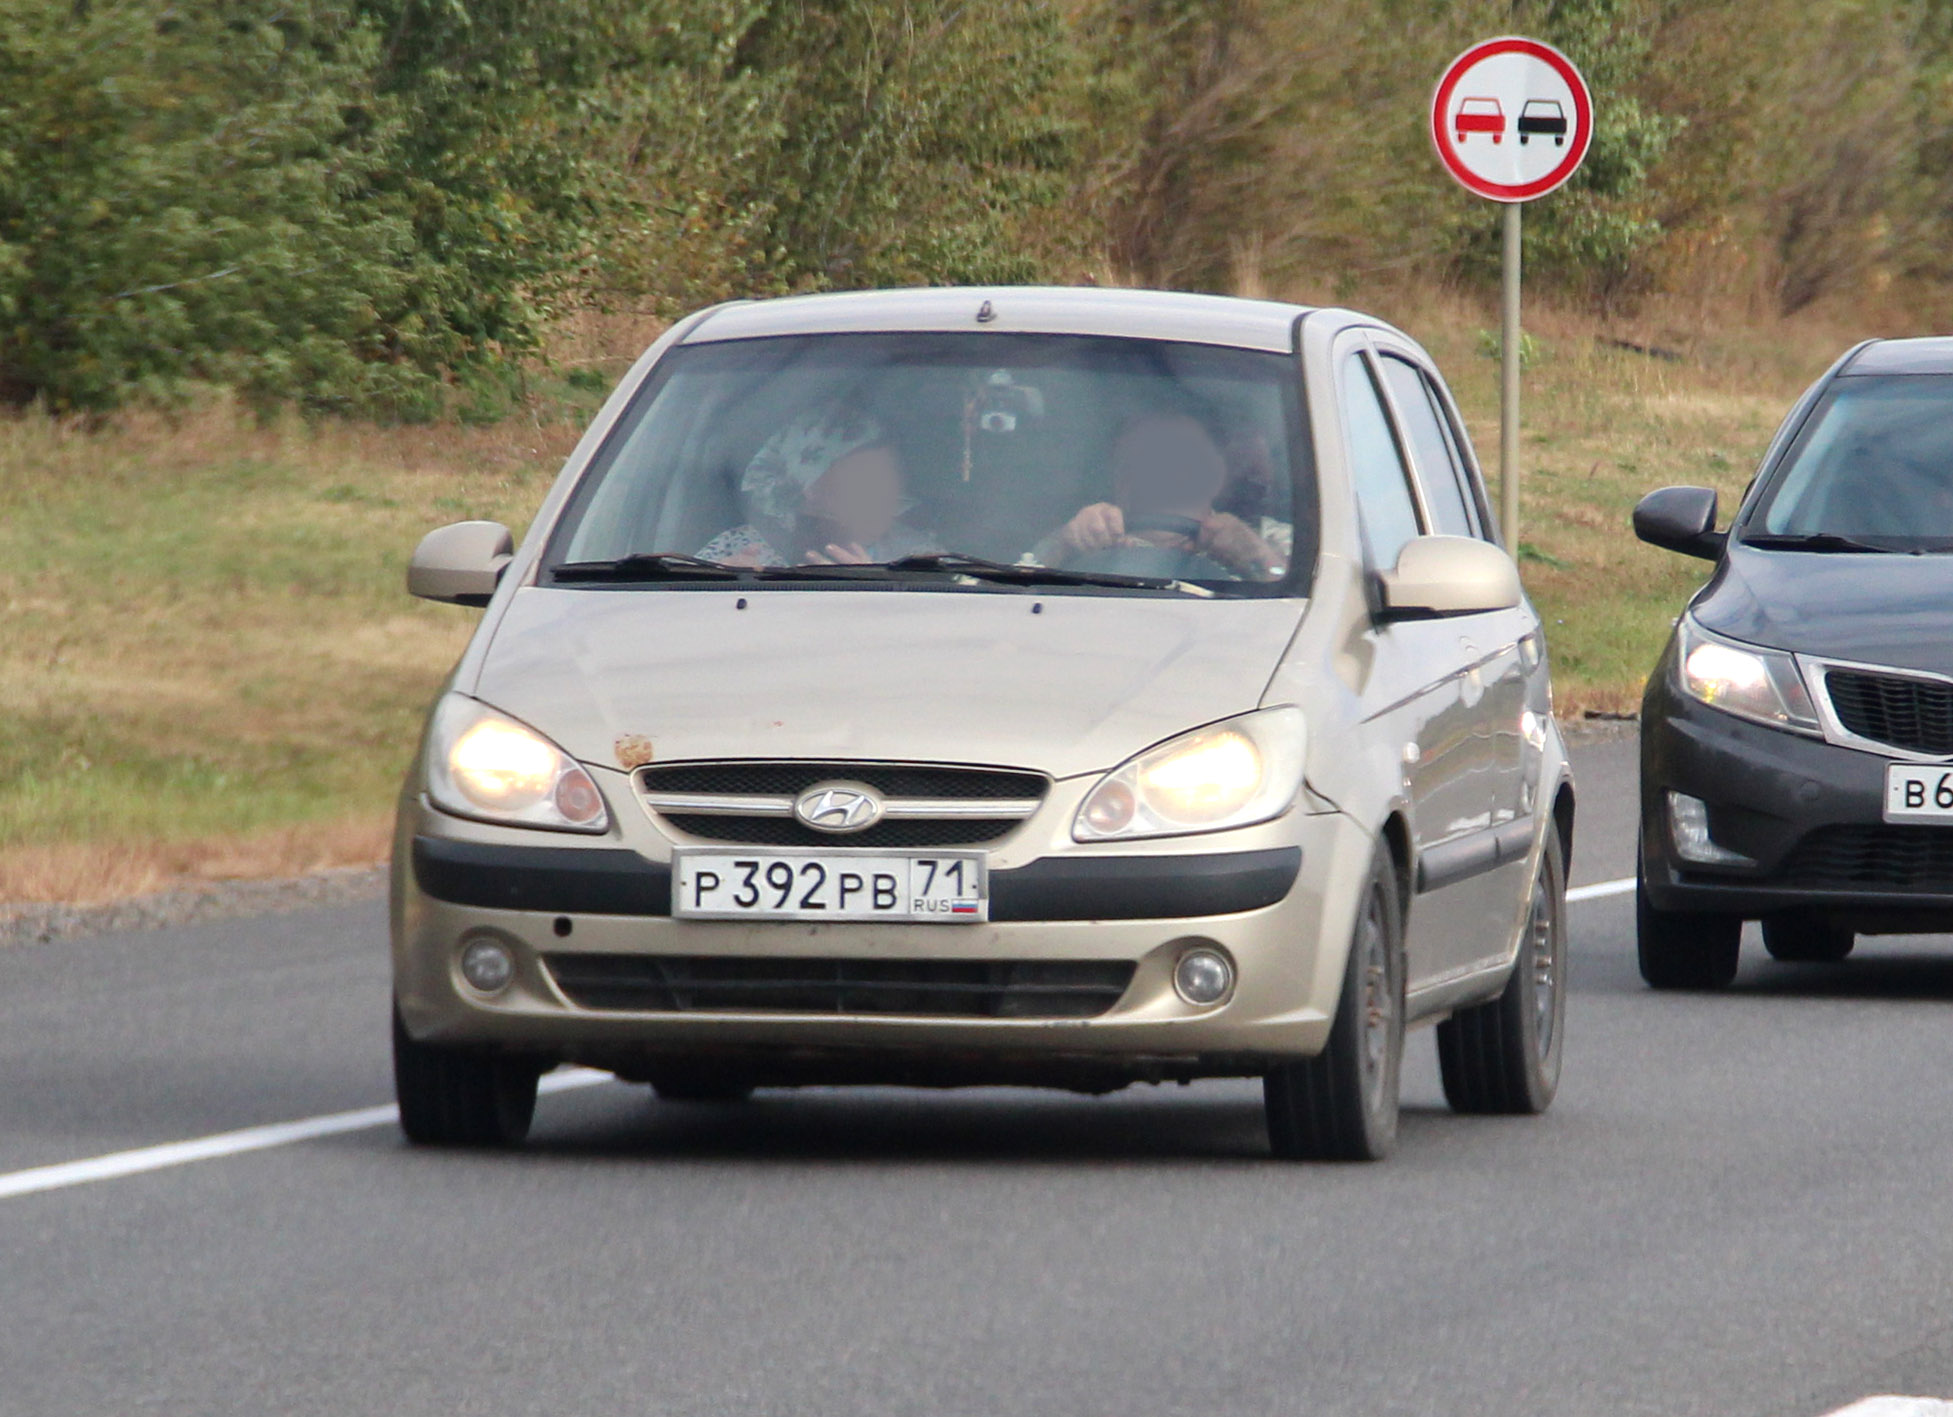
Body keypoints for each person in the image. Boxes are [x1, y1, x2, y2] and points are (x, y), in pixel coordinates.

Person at [1036, 410, 1290, 580]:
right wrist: (1065, 547)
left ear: (1216, 473)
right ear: (1117, 475)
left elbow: (1316, 606)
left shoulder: (1271, 538)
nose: (1163, 471)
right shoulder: (1085, 535)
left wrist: (1257, 555)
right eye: (1143, 458)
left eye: (1180, 457)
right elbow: (1015, 592)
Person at [698, 407, 934, 566]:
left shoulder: (918, 558)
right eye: (863, 479)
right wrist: (719, 586)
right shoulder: (737, 547)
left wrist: (879, 589)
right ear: (809, 488)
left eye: (889, 476)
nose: (886, 492)